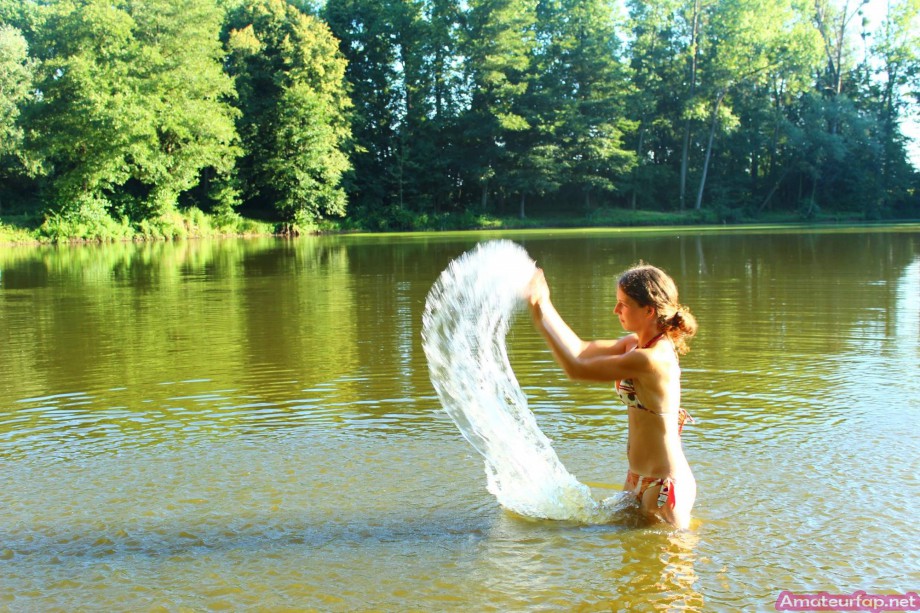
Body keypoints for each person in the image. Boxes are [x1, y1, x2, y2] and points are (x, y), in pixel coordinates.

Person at [525, 263, 698, 529]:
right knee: (630, 565)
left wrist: (540, 316)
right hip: (636, 480)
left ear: (649, 310)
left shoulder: (651, 358)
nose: (616, 310)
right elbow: (581, 351)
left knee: (672, 565)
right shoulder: (633, 344)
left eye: (623, 304)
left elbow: (576, 369)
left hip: (664, 487)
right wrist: (544, 307)